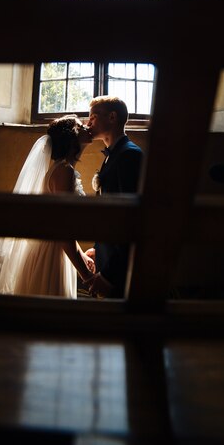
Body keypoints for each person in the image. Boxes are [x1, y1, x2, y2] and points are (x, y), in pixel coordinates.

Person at [0, 115, 95, 298]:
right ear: (72, 136)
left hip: (57, 250)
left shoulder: (64, 169)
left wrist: (81, 254)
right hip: (52, 256)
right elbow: (62, 230)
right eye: (81, 126)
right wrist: (87, 276)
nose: (87, 127)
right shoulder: (64, 171)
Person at [86, 95, 143, 298]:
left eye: (93, 116)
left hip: (120, 272)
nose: (87, 123)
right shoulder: (113, 154)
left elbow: (130, 220)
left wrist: (109, 274)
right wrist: (98, 249)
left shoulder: (129, 155)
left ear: (112, 117)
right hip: (108, 257)